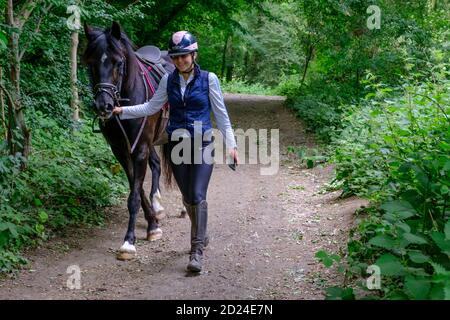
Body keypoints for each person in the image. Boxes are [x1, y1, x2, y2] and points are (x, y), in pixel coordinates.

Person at [113, 31, 239, 272]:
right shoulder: (167, 80)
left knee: (197, 195)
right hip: (176, 146)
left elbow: (221, 115)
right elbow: (152, 106)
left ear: (193, 54)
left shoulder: (209, 79)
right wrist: (123, 111)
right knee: (187, 198)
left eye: (184, 56)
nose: (180, 61)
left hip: (201, 144)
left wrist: (231, 145)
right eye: (176, 57)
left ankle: (196, 252)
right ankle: (201, 232)